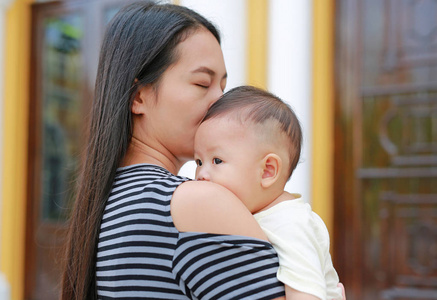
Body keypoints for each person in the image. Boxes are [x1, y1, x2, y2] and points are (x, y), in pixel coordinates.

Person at [61, 2, 287, 299]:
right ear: (137, 96)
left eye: (223, 86)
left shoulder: (105, 205)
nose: (221, 101)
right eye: (202, 83)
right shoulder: (196, 203)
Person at [194, 86, 343, 300]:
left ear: (267, 171)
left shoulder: (290, 224)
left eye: (217, 160)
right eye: (198, 161)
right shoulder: (249, 217)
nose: (201, 174)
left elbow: (307, 295)